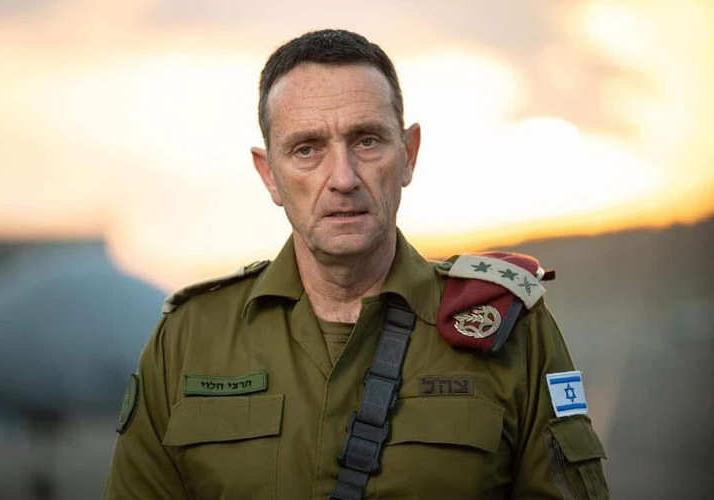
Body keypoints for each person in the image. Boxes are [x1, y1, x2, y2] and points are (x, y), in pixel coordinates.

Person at [103, 29, 609, 499]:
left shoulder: (510, 330)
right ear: (269, 174)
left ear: (408, 154)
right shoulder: (189, 340)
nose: (343, 178)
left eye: (367, 141)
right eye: (307, 149)